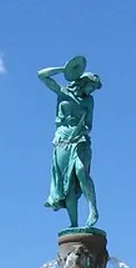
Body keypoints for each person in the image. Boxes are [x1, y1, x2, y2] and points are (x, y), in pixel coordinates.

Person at [39, 57, 102, 230]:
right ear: (83, 82)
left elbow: (90, 124)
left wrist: (82, 129)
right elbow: (42, 75)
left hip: (80, 140)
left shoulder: (89, 101)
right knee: (67, 184)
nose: (92, 91)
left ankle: (93, 208)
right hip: (61, 140)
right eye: (91, 87)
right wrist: (65, 70)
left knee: (81, 171)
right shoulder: (63, 92)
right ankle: (73, 224)